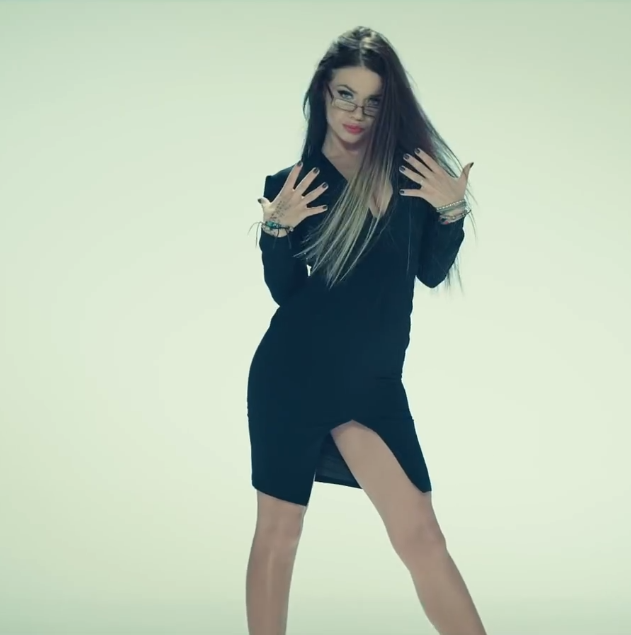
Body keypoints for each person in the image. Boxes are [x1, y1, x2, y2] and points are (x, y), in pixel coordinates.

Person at [244, 26, 486, 635]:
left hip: (373, 387)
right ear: (322, 94)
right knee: (279, 535)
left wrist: (451, 212)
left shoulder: (412, 177)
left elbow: (429, 272)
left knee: (422, 537)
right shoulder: (294, 184)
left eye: (373, 101)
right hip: (292, 377)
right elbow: (286, 292)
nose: (357, 113)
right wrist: (275, 233)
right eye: (345, 95)